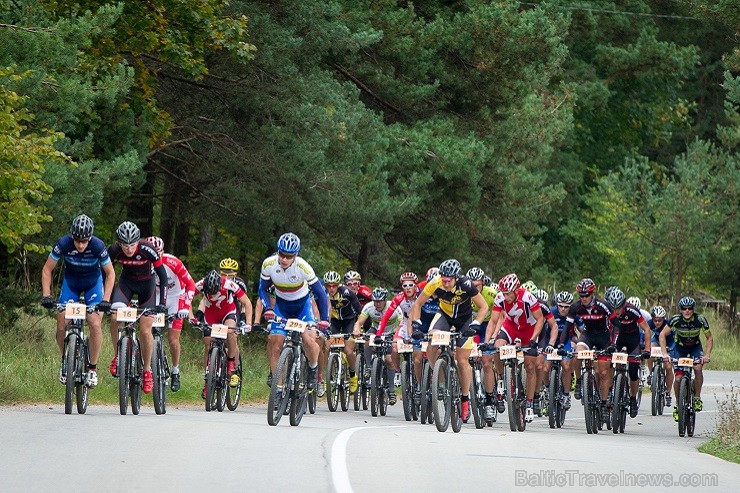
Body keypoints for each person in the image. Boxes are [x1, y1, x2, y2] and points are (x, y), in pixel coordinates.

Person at [41, 214, 115, 388]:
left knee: (95, 323)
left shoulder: (98, 246)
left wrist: (105, 300)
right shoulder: (63, 244)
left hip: (93, 285)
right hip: (71, 284)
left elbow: (110, 273)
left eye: (84, 241)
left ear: (90, 238)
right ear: (72, 237)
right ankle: (65, 361)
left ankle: (92, 369)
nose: (81, 245)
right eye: (77, 241)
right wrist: (46, 295)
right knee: (61, 322)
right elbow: (47, 269)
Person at [410, 259, 488, 423]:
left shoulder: (466, 284)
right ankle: (438, 375)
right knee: (432, 342)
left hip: (464, 320)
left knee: (461, 360)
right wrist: (416, 325)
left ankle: (465, 399)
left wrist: (476, 324)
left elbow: (483, 307)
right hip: (444, 316)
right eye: (443, 280)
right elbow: (417, 304)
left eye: (448, 281)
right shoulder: (435, 283)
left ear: (456, 278)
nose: (445, 284)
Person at [258, 233, 330, 390]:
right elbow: (262, 289)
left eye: (288, 256)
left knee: (309, 340)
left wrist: (324, 319)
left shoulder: (303, 267)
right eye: (281, 254)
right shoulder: (268, 264)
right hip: (281, 307)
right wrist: (268, 308)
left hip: (302, 307)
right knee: (274, 342)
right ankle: (278, 389)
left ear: (296, 255)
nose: (284, 259)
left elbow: (321, 294)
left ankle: (312, 368)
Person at [107, 221, 168, 394]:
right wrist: (103, 298)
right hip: (126, 285)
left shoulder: (148, 249)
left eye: (132, 245)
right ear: (119, 243)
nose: (129, 249)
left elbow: (163, 279)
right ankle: (118, 355)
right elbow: (104, 272)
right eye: (125, 245)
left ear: (137, 241)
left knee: (145, 330)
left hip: (146, 288)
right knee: (115, 317)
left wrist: (162, 303)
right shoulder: (114, 251)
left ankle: (147, 369)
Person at [559, 278, 621, 423]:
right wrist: (561, 344)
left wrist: (613, 343)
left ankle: (605, 405)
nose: (584, 298)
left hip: (604, 338)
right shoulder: (575, 307)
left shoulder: (603, 305)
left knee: (603, 372)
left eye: (586, 295)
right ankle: (580, 381)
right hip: (588, 336)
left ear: (592, 294)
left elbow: (616, 325)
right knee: (577, 354)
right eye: (581, 295)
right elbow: (567, 327)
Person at [485, 273, 543, 423]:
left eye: (507, 294)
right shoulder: (499, 299)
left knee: (530, 366)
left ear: (516, 290)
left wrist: (532, 339)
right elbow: (493, 321)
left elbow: (540, 319)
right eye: (503, 293)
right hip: (511, 327)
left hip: (528, 330)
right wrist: (487, 341)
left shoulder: (528, 297)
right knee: (497, 347)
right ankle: (500, 378)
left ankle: (529, 402)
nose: (505, 296)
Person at [146, 236, 196, 392]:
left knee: (173, 339)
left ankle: (175, 370)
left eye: (158, 253)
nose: (155, 257)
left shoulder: (173, 262)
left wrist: (185, 307)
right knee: (146, 330)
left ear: (163, 251)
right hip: (156, 295)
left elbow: (191, 285)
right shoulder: (144, 263)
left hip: (175, 297)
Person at [191, 269, 253, 394]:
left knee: (230, 332)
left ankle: (230, 362)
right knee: (208, 344)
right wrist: (192, 317)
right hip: (211, 314)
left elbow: (247, 302)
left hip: (227, 312)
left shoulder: (229, 284)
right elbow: (187, 298)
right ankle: (208, 379)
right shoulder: (201, 284)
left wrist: (248, 323)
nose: (212, 295)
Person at [662, 296, 712, 421]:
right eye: (684, 309)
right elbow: (662, 334)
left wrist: (707, 355)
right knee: (678, 379)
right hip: (680, 349)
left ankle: (697, 398)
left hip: (695, 348)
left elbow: (709, 338)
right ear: (681, 310)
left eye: (690, 308)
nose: (687, 311)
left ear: (693, 309)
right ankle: (678, 406)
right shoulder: (675, 320)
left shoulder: (700, 319)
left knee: (698, 368)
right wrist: (664, 354)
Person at [606, 287, 652, 418]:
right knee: (609, 363)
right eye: (613, 308)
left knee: (633, 371)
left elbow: (647, 330)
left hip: (633, 340)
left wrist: (647, 350)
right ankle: (609, 390)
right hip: (617, 339)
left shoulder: (632, 311)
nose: (616, 311)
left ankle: (632, 399)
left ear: (624, 305)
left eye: (619, 308)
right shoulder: (608, 312)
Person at [353, 287, 403, 404]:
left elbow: (402, 322)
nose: (378, 303)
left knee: (389, 360)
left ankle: (391, 390)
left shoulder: (394, 307)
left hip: (391, 332)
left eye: (380, 301)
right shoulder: (369, 307)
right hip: (376, 330)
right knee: (367, 339)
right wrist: (356, 329)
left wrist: (398, 335)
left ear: (385, 300)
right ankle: (369, 367)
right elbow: (359, 322)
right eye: (375, 301)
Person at [466, 267, 499, 420]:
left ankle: (490, 399)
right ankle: (465, 397)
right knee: (466, 358)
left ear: (483, 284)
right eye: (472, 285)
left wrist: (492, 337)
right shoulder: (464, 293)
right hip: (472, 326)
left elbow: (501, 316)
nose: (474, 288)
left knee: (486, 362)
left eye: (477, 285)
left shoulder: (491, 294)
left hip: (488, 325)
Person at [324, 271, 363, 394]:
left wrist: (361, 328)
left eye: (334, 285)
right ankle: (326, 378)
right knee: (326, 346)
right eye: (328, 286)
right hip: (334, 322)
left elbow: (360, 311)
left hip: (348, 321)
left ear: (338, 285)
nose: (331, 288)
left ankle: (352, 375)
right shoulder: (323, 293)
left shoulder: (347, 292)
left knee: (348, 350)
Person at [648, 305, 673, 405]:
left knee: (668, 366)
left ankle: (668, 392)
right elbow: (644, 335)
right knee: (650, 350)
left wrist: (671, 350)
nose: (657, 322)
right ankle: (651, 374)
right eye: (655, 320)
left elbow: (675, 339)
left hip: (669, 342)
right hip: (657, 341)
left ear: (664, 319)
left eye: (659, 320)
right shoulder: (649, 323)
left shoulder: (669, 324)